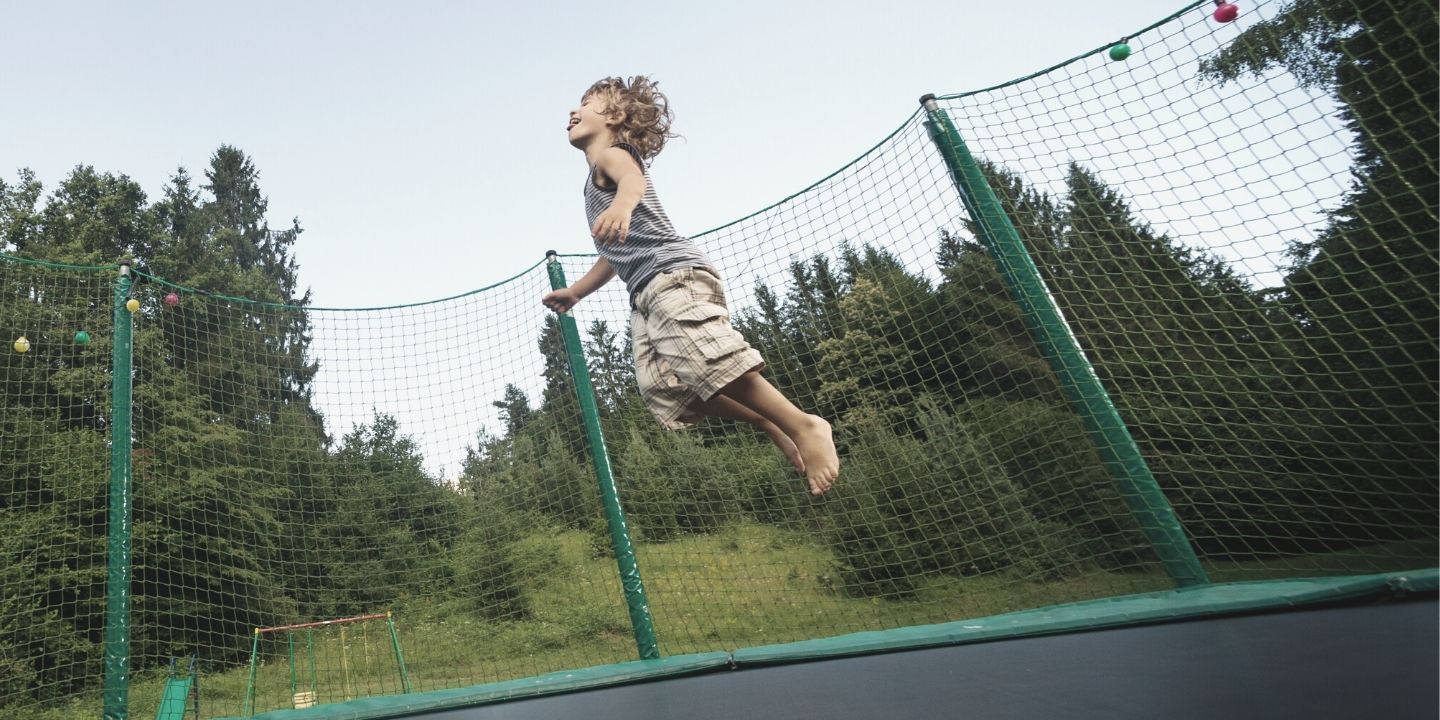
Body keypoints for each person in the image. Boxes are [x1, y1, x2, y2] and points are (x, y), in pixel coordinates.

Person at [542, 76, 839, 496]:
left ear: (615, 116)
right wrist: (577, 291)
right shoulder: (592, 183)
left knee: (706, 359)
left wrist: (623, 204)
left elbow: (633, 181)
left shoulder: (613, 156)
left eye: (587, 103)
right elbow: (613, 253)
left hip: (672, 275)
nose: (574, 111)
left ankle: (805, 425)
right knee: (665, 391)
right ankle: (766, 418)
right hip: (644, 294)